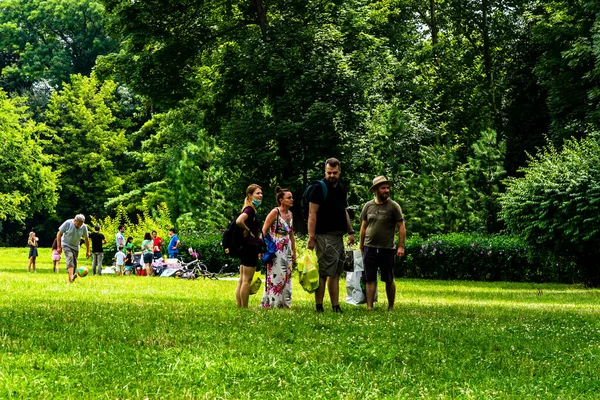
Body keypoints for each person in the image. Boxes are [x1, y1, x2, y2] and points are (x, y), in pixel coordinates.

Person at [307, 157, 355, 313]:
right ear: (325, 171)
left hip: (338, 236)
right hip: (324, 236)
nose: (332, 175)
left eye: (335, 172)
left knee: (335, 272)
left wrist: (350, 231)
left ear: (339, 171)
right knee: (324, 273)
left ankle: (335, 305)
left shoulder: (341, 188)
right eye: (329, 172)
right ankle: (320, 306)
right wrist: (312, 237)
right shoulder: (318, 189)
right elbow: (312, 214)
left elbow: (343, 210)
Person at [359, 176, 406, 311]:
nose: (386, 190)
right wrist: (361, 245)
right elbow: (363, 227)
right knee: (369, 278)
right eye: (383, 188)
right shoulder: (368, 206)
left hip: (387, 248)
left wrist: (401, 246)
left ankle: (391, 306)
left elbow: (401, 227)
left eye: (387, 188)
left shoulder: (394, 206)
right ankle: (369, 307)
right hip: (370, 248)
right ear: (376, 190)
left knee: (389, 278)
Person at [261, 187, 296, 308]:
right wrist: (263, 247)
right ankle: (273, 302)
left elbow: (291, 234)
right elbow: (264, 230)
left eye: (292, 197)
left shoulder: (290, 214)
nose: (292, 200)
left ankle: (285, 302)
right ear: (281, 200)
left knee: (287, 274)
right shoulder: (275, 212)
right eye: (289, 198)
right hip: (276, 248)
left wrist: (294, 252)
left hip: (287, 248)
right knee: (277, 274)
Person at [235, 184, 264, 308]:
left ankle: (240, 306)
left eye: (261, 193)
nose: (260, 195)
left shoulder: (247, 208)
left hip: (245, 247)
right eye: (257, 193)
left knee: (242, 279)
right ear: (250, 195)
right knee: (247, 280)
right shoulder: (250, 210)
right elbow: (239, 221)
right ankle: (244, 307)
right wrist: (248, 230)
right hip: (250, 247)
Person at [56, 214, 90, 283]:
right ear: (74, 220)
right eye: (78, 224)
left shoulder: (84, 227)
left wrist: (88, 251)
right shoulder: (68, 223)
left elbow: (86, 239)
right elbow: (59, 234)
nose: (79, 226)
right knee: (70, 258)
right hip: (66, 244)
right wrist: (59, 247)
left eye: (81, 224)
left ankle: (70, 281)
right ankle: (71, 277)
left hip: (75, 246)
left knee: (74, 263)